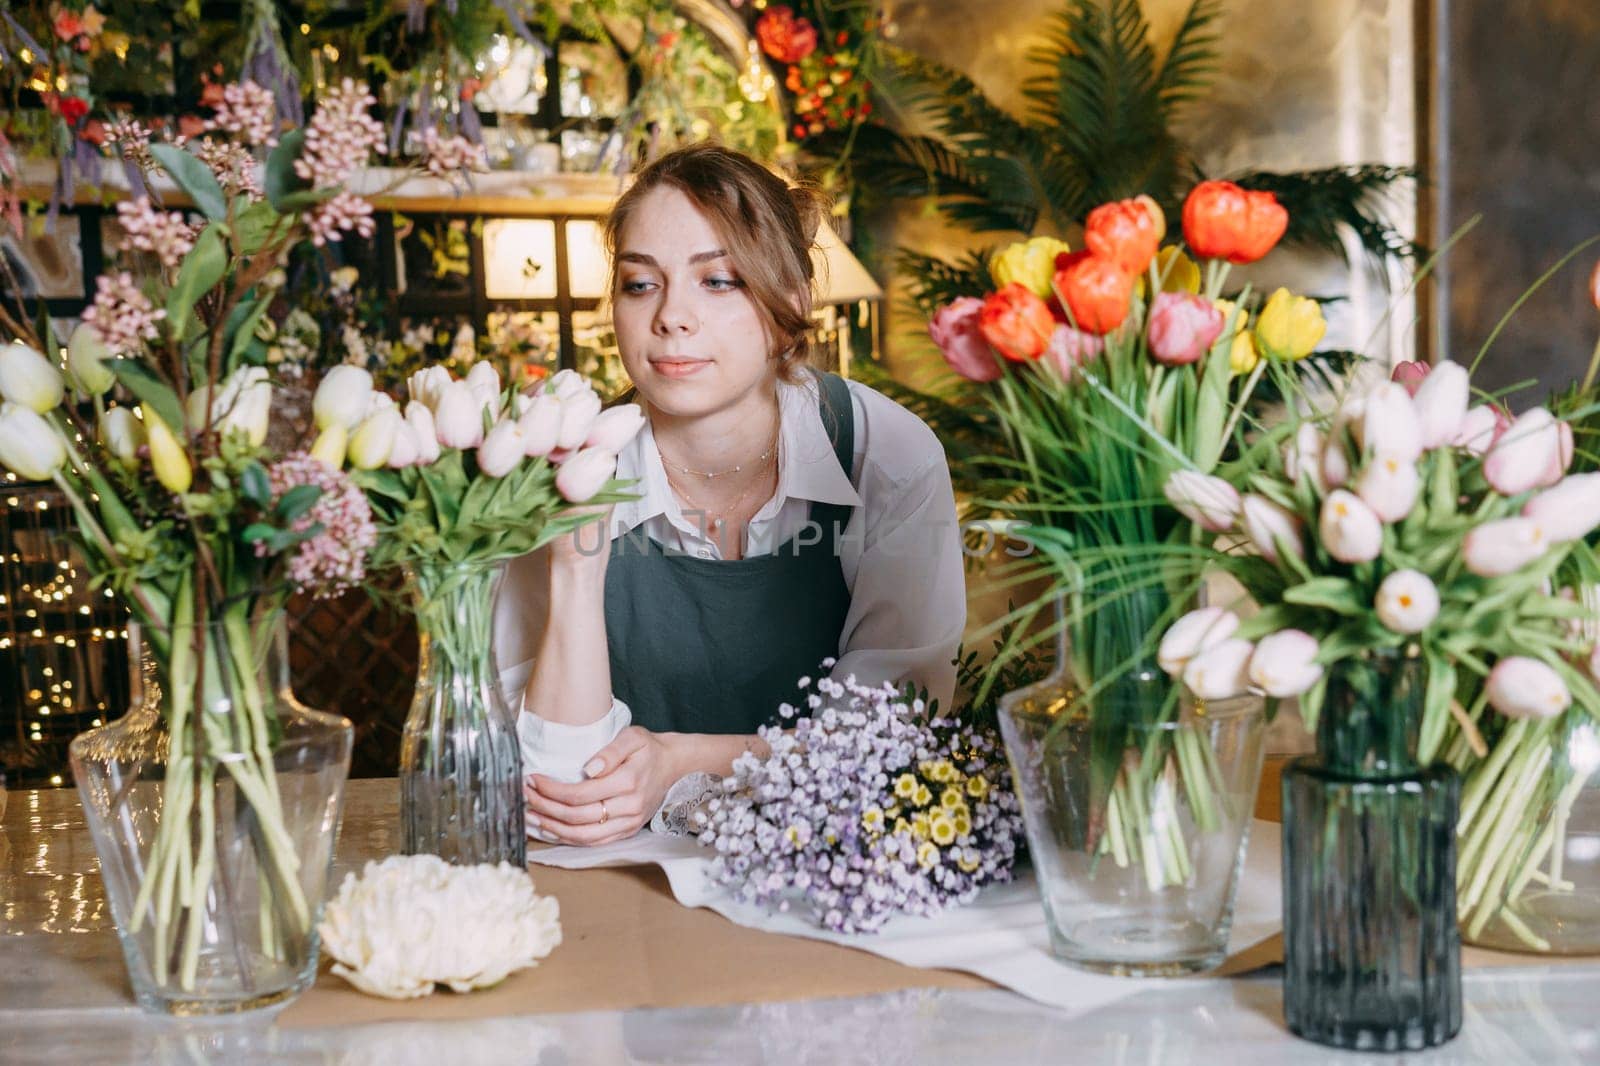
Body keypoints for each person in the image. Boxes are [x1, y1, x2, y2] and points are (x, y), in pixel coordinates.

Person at [494, 141, 965, 846]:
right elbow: (560, 790)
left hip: (830, 866)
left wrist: (681, 760)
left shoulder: (884, 457)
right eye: (639, 284)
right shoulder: (563, 465)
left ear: (792, 303)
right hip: (618, 880)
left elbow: (893, 737)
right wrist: (575, 559)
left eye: (718, 281)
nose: (671, 317)